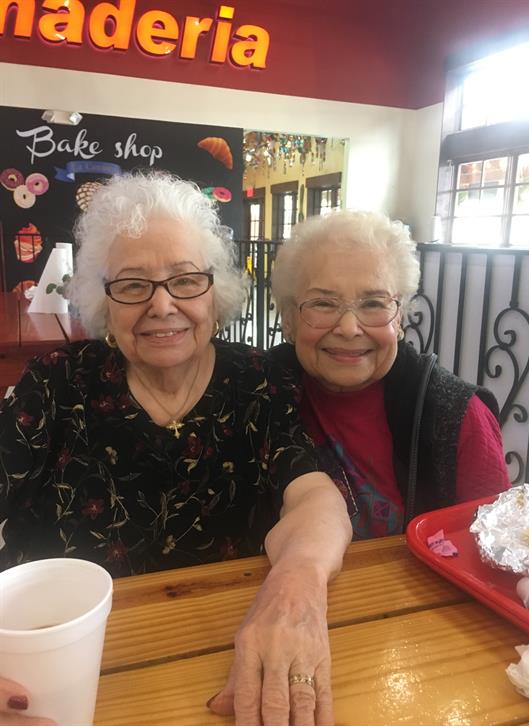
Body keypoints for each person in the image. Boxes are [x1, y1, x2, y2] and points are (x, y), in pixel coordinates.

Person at [0, 172, 351, 726]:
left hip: (224, 666)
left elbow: (313, 496)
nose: (162, 306)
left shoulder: (258, 381)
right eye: (134, 285)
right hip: (62, 678)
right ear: (104, 300)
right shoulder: (55, 385)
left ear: (215, 292)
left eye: (186, 280)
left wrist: (298, 585)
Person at [269, 210, 510, 539]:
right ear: (288, 319)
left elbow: (491, 549)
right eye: (323, 303)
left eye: (373, 303)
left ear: (399, 319)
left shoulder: (457, 416)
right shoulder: (261, 389)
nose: (349, 328)